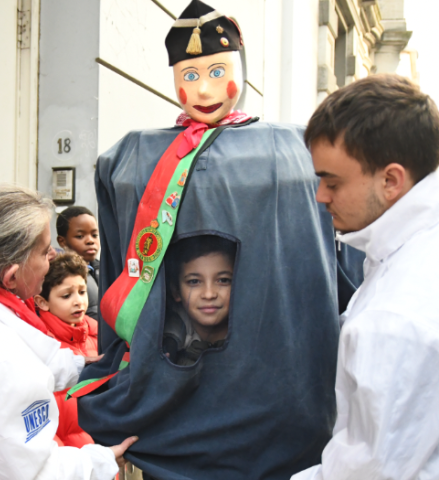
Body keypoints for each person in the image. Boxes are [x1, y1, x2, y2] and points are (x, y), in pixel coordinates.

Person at [74, 1, 364, 478]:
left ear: (241, 72)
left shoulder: (294, 148)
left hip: (279, 400)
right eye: (188, 76)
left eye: (216, 71)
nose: (203, 89)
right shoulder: (130, 157)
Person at [292, 74, 439, 479]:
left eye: (332, 181)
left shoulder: (396, 316)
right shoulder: (420, 245)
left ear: (391, 180)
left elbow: (366, 472)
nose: (320, 196)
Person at [0, 185, 137, 480]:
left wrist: (82, 365)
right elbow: (36, 474)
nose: (54, 256)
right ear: (11, 275)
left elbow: (32, 352)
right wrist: (101, 460)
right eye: (46, 251)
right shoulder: (2, 362)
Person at [35, 252, 98, 449]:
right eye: (66, 295)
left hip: (105, 452)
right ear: (42, 302)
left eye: (82, 291)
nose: (78, 301)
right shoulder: (43, 347)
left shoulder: (99, 334)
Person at [162, 235, 236, 366]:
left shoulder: (252, 334)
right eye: (194, 282)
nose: (209, 294)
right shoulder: (168, 337)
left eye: (223, 280)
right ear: (176, 291)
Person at [56, 206, 100, 321]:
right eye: (80, 236)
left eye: (94, 235)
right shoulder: (60, 275)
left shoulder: (101, 268)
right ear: (62, 241)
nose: (90, 241)